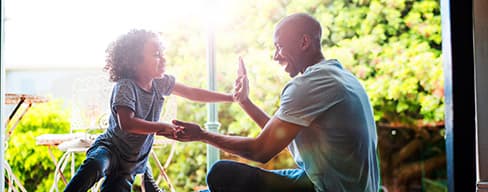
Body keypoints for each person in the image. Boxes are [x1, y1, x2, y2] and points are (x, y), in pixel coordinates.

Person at [172, 13, 380, 192]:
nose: (275, 56)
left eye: (279, 47)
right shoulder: (340, 76)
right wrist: (245, 102)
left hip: (325, 188)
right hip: (334, 182)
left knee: (220, 173)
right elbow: (282, 137)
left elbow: (260, 151)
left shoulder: (309, 84)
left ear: (304, 42)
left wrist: (201, 135)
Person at [64, 29, 235, 192]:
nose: (163, 60)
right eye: (156, 55)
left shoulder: (160, 83)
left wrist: (231, 97)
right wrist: (161, 127)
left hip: (131, 162)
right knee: (95, 165)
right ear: (134, 61)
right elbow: (127, 123)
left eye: (162, 54)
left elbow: (191, 92)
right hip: (110, 149)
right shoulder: (126, 86)